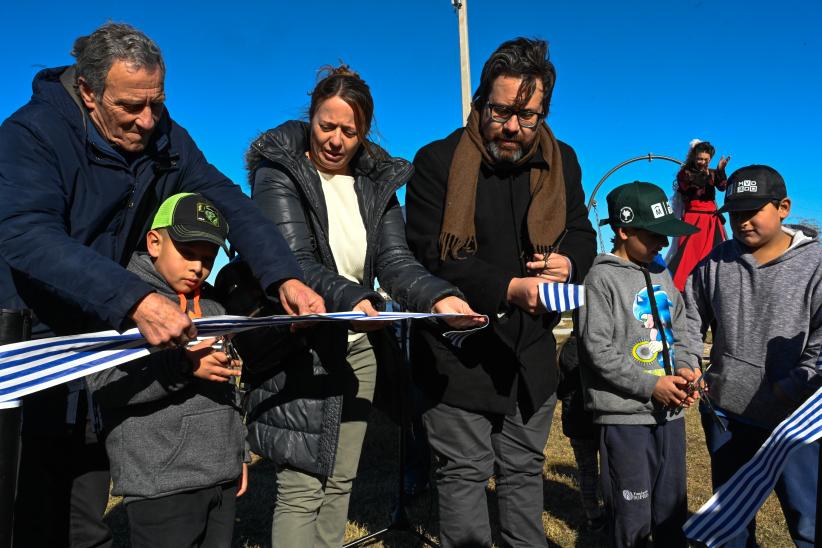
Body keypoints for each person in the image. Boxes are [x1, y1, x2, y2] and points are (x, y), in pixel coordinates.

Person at [0, 23, 322, 548]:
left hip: (105, 341)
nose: (148, 121)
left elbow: (227, 200)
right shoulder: (31, 135)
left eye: (157, 102)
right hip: (36, 346)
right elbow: (27, 236)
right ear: (87, 91)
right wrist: (135, 298)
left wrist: (283, 273)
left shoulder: (164, 136)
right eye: (130, 107)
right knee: (31, 507)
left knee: (85, 510)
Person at [244, 64, 484, 547]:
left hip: (358, 348)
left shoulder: (376, 185)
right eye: (325, 126)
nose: (335, 140)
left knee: (339, 482)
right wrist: (355, 296)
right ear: (310, 117)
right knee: (301, 487)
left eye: (348, 131)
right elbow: (295, 262)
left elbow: (395, 262)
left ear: (364, 132)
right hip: (302, 348)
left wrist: (440, 297)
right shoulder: (279, 171)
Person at [404, 37, 597, 547]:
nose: (512, 126)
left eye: (527, 115)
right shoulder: (436, 161)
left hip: (530, 358)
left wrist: (569, 260)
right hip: (457, 355)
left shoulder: (563, 162)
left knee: (522, 474)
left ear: (544, 112)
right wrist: (509, 288)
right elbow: (431, 253)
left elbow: (582, 231)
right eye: (500, 110)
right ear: (478, 103)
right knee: (464, 475)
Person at [87, 193, 246, 548]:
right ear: (154, 242)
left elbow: (229, 390)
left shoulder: (216, 308)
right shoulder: (126, 305)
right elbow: (105, 387)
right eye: (188, 253)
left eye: (208, 258)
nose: (198, 268)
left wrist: (240, 454)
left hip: (221, 476)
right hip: (161, 485)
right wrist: (185, 366)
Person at [685, 165, 822, 547]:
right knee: (730, 523)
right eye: (735, 214)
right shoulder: (715, 262)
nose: (742, 222)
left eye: (752, 211)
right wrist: (688, 362)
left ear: (784, 208)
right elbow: (688, 316)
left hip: (795, 425)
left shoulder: (817, 265)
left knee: (808, 521)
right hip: (727, 416)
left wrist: (791, 387)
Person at [578, 181, 702, 547]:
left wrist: (684, 367)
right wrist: (652, 386)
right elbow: (597, 350)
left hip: (670, 418)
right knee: (632, 514)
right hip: (624, 419)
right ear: (624, 230)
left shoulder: (662, 273)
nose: (663, 244)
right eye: (653, 236)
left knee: (670, 509)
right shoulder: (601, 278)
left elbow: (679, 329)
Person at [666, 140, 730, 291]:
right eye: (700, 159)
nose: (702, 162)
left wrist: (720, 170)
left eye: (706, 160)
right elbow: (696, 184)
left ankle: (712, 288)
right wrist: (707, 174)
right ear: (694, 157)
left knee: (714, 255)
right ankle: (681, 289)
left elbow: (722, 187)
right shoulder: (685, 173)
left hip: (712, 220)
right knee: (688, 257)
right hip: (693, 219)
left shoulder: (712, 173)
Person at [556, 335, 604, 530]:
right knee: (608, 470)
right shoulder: (589, 349)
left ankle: (592, 513)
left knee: (586, 471)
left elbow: (559, 391)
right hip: (597, 420)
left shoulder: (563, 351)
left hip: (576, 424)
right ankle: (610, 509)